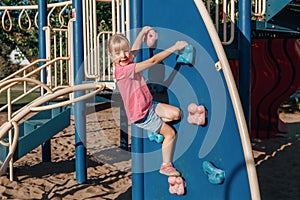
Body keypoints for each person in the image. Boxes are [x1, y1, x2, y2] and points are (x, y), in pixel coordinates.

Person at [108, 26, 188, 177]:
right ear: (111, 55)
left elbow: (135, 51)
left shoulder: (125, 61)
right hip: (141, 115)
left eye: (125, 51)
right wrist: (175, 47)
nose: (124, 55)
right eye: (118, 53)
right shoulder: (124, 71)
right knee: (171, 134)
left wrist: (142, 33)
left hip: (149, 105)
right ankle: (166, 165)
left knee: (176, 114)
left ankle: (156, 127)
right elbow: (154, 60)